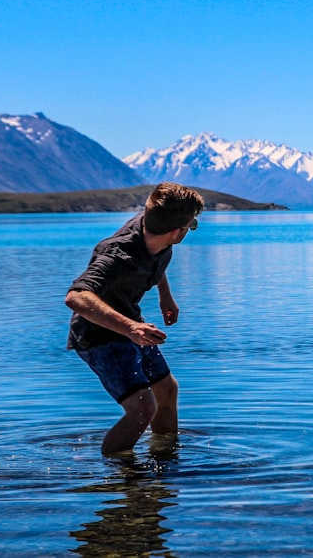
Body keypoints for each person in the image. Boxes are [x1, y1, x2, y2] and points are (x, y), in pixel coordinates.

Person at [65, 182, 205, 455]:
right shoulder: (115, 255)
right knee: (142, 409)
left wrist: (165, 294)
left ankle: (164, 459)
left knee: (166, 390)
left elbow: (157, 255)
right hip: (98, 336)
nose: (191, 230)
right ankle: (120, 476)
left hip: (132, 324)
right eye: (192, 226)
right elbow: (75, 298)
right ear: (178, 232)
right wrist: (130, 327)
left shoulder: (155, 229)